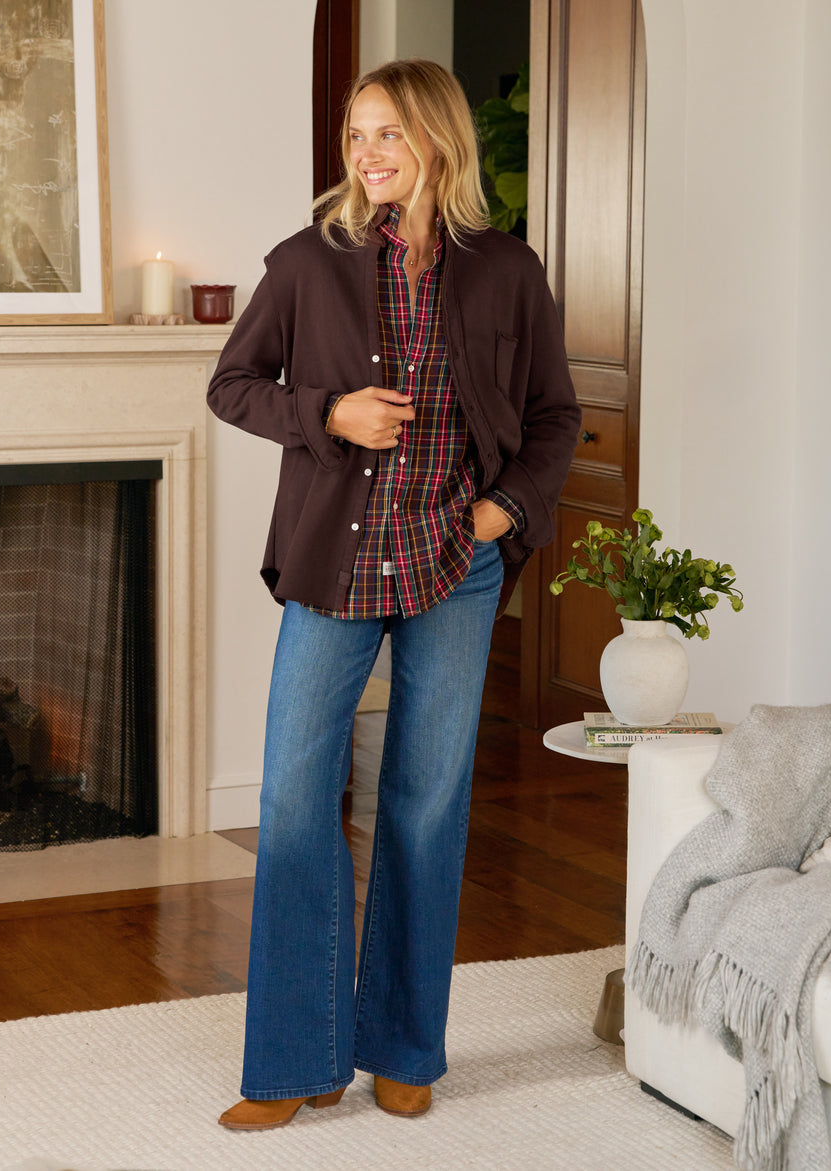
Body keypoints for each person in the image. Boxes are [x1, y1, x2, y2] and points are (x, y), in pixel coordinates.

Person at [207, 58, 581, 1131]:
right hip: (337, 558)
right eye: (357, 135)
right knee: (291, 797)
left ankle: (405, 1045)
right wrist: (326, 413)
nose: (367, 156)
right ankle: (292, 1059)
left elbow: (554, 413)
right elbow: (232, 384)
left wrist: (505, 510)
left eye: (389, 136)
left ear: (438, 144)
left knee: (423, 802)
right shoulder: (304, 263)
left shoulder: (508, 272)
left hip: (457, 566)